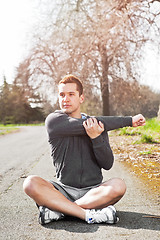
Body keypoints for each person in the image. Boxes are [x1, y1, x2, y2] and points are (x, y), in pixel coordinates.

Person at [23, 74, 146, 225]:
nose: (65, 99)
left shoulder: (98, 126)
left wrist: (95, 138)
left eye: (71, 94)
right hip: (63, 190)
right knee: (30, 183)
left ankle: (60, 210)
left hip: (94, 192)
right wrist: (129, 121)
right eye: (62, 95)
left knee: (119, 185)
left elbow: (107, 164)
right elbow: (86, 124)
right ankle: (88, 215)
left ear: (81, 98)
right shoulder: (54, 121)